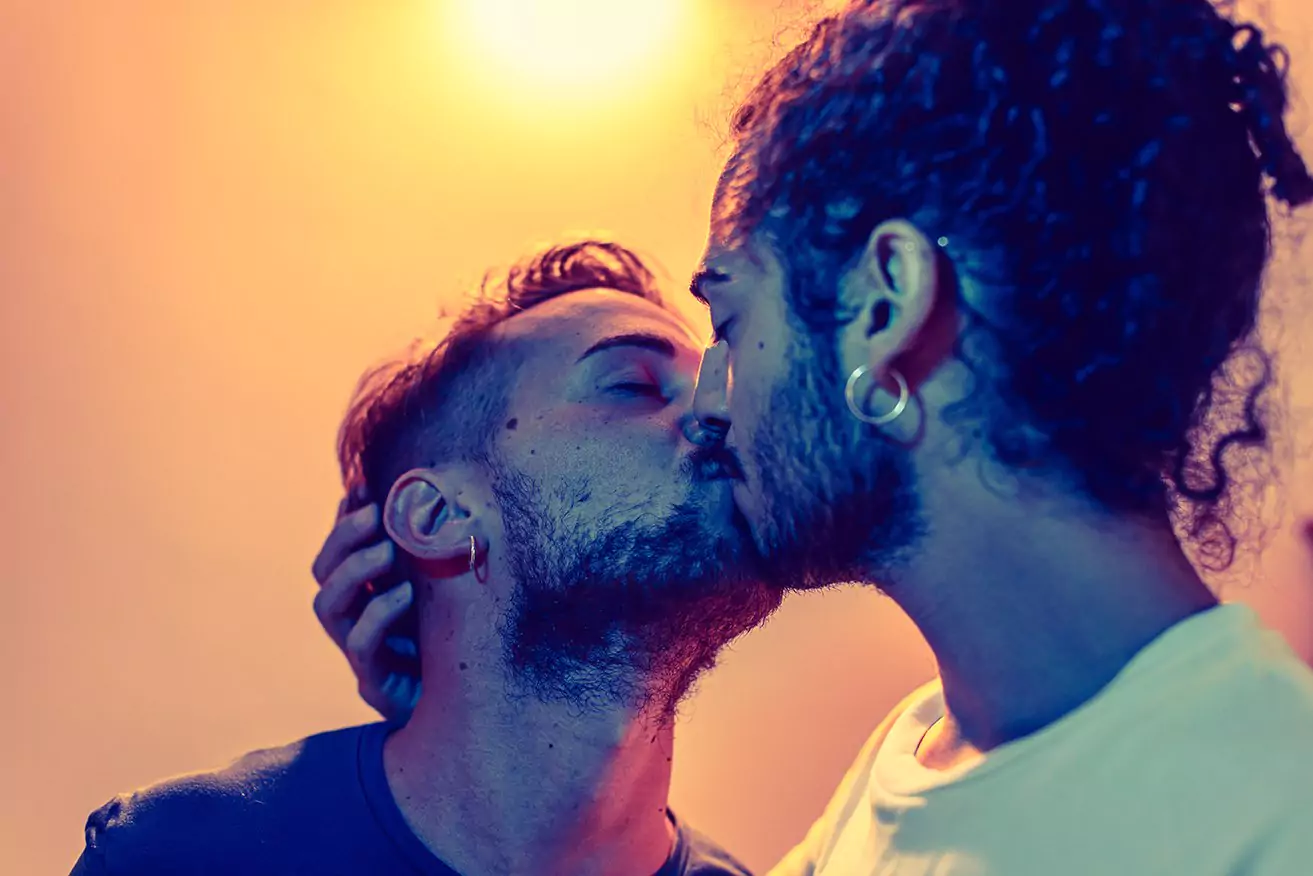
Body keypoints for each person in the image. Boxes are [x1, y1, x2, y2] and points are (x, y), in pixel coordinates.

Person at [322, 0, 1313, 872]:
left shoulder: (1275, 815)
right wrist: (471, 721)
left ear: (883, 308)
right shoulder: (911, 764)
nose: (713, 407)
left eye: (729, 322)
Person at [70, 241, 776, 876]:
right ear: (438, 516)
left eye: (722, 384)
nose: (721, 413)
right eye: (633, 385)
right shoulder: (181, 856)